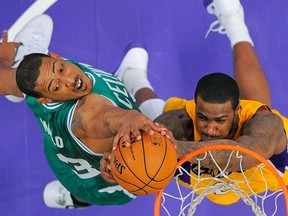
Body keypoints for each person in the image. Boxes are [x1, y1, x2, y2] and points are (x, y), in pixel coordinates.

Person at [101, 0, 288, 206]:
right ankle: (132, 77)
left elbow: (242, 156)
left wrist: (173, 148)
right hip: (204, 179)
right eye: (203, 117)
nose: (209, 127)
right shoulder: (181, 121)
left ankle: (234, 21)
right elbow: (142, 144)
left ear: (237, 111)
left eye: (220, 120)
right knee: (151, 120)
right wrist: (119, 160)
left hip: (261, 173)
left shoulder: (268, 125)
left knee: (259, 105)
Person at [0, 17, 170, 208]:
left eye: (62, 68)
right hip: (95, 182)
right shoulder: (85, 115)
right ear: (47, 99)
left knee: (27, 80)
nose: (69, 80)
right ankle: (75, 199)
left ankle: (23, 57)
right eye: (56, 86)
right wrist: (131, 117)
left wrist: (6, 55)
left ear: (55, 56)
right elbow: (105, 118)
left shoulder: (41, 88)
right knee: (157, 121)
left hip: (59, 151)